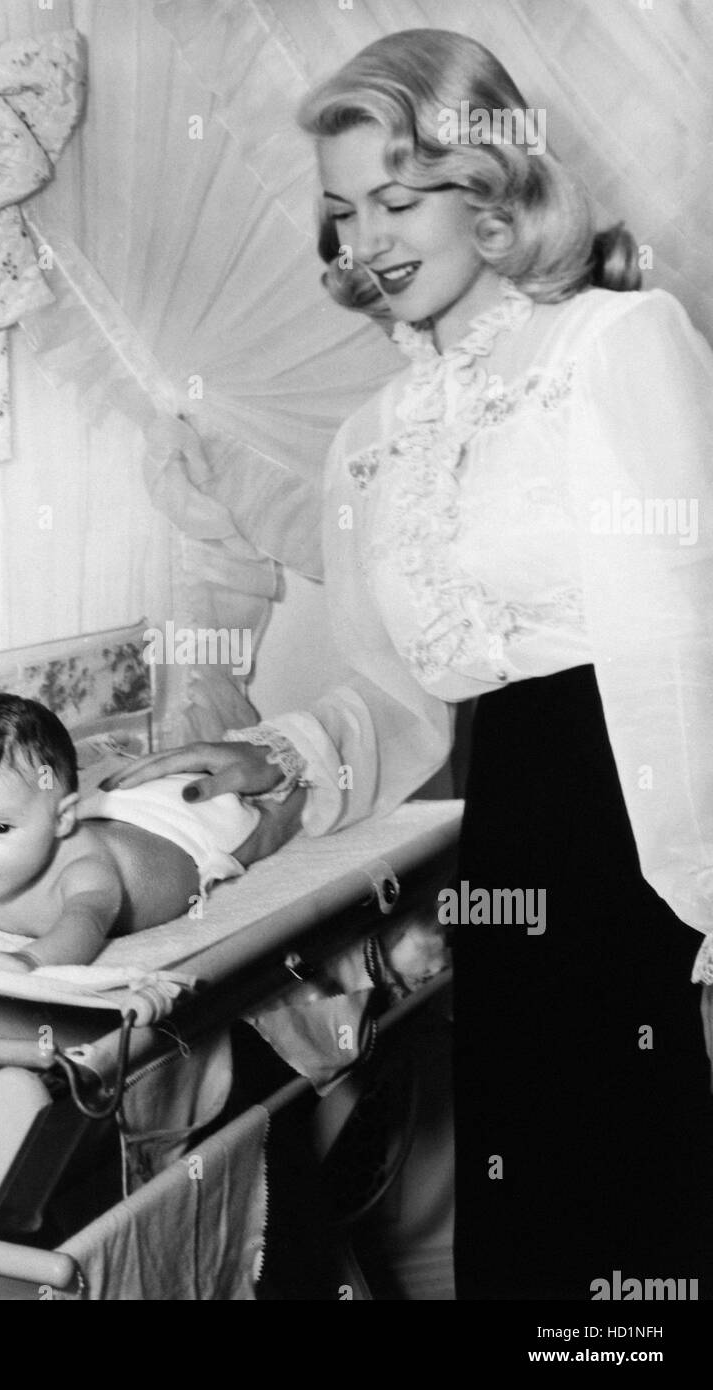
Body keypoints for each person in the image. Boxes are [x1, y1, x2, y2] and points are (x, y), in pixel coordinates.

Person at [100, 28, 713, 1299]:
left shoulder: (615, 343)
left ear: (489, 189)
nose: (364, 239)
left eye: (397, 196)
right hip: (518, 829)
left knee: (648, 1205)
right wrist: (272, 755)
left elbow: (691, 638)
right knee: (542, 1207)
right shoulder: (373, 438)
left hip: (654, 814)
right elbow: (405, 697)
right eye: (340, 212)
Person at [0, 690, 276, 970]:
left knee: (253, 826)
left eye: (1, 827)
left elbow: (85, 925)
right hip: (111, 813)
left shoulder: (84, 872)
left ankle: (291, 789)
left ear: (62, 820)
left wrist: (31, 960)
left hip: (183, 832)